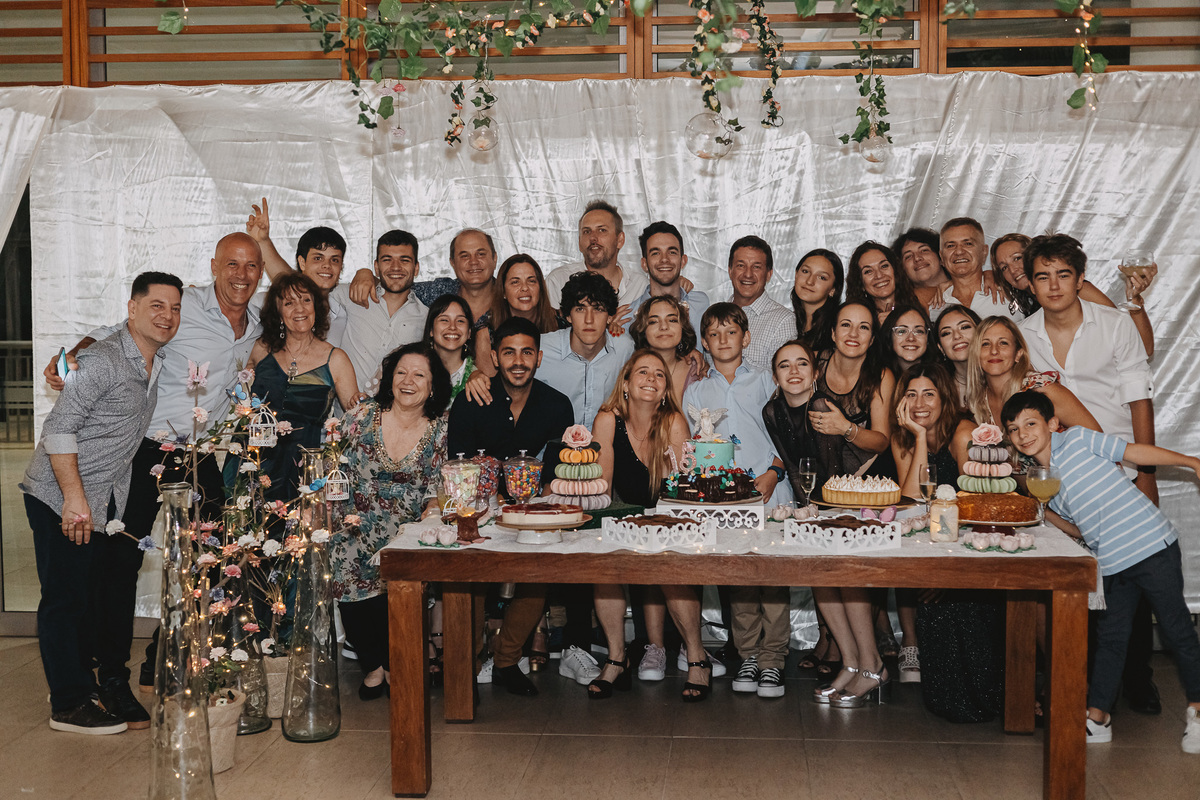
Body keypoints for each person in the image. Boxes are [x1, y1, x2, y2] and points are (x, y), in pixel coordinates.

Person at [45, 232, 265, 693]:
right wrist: (69, 361)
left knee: (211, 557)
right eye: (232, 264)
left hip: (198, 453)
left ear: (261, 272)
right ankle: (109, 668)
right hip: (145, 449)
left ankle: (166, 655)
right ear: (214, 266)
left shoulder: (259, 321)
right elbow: (112, 333)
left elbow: (309, 296)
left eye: (251, 265)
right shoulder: (183, 307)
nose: (241, 275)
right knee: (121, 558)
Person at [21, 271, 182, 734]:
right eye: (156, 306)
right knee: (65, 600)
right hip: (60, 495)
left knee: (86, 596)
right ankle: (69, 705)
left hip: (100, 497)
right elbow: (58, 429)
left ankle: (79, 686)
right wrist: (75, 499)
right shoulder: (102, 361)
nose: (166, 316)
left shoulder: (152, 359)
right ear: (132, 309)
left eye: (174, 308)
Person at [1001, 391, 1200, 751]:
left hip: (1152, 547)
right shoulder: (1040, 480)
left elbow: (1133, 453)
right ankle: (1098, 718)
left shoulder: (1078, 439)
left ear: (1052, 423)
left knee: (1177, 631)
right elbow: (1079, 528)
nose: (1023, 434)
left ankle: (1198, 711)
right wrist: (1041, 511)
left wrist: (1190, 461)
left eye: (1030, 423)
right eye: (1014, 429)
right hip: (1111, 561)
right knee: (1111, 640)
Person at [1017, 233, 1161, 712]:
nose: (1054, 285)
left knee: (1131, 570)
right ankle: (1090, 682)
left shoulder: (1114, 325)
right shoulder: (1024, 334)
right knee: (1081, 574)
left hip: (1119, 464)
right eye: (1043, 276)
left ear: (1080, 279)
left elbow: (1139, 396)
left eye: (1064, 274)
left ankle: (1138, 679)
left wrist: (1146, 470)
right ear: (1030, 283)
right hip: (1064, 473)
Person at [446, 317, 581, 696]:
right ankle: (468, 664)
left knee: (537, 575)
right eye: (508, 353)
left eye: (526, 353)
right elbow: (459, 464)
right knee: (470, 579)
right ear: (494, 357)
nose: (518, 362)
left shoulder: (557, 405)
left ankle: (507, 660)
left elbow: (557, 471)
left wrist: (528, 505)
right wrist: (490, 505)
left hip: (532, 509)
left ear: (539, 357)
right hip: (478, 508)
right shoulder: (471, 400)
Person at [589, 350, 715, 701]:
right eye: (642, 372)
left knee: (671, 567)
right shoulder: (607, 419)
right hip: (625, 514)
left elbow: (680, 491)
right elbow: (603, 488)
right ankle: (617, 658)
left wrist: (659, 529)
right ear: (626, 383)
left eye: (659, 374)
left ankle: (697, 657)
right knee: (603, 567)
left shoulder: (673, 421)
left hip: (669, 516)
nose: (651, 379)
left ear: (665, 389)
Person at [331, 342, 450, 700]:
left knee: (394, 603)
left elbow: (438, 485)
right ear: (389, 378)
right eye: (401, 372)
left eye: (419, 375)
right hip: (351, 523)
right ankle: (373, 665)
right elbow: (332, 465)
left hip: (405, 529)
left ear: (433, 385)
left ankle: (393, 663)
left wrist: (432, 512)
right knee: (353, 601)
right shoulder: (360, 416)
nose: (407, 381)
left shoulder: (441, 429)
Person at [683, 303, 791, 697]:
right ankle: (748, 655)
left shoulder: (765, 381)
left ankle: (773, 659)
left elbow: (788, 436)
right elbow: (695, 448)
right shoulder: (696, 390)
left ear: (746, 338)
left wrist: (774, 472)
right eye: (714, 334)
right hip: (725, 500)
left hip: (770, 489)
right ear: (704, 341)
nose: (723, 340)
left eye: (731, 332)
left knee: (773, 578)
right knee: (741, 578)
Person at [892, 364, 1006, 722]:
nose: (919, 403)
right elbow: (911, 503)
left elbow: (979, 505)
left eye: (929, 394)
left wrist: (950, 573)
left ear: (945, 398)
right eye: (911, 395)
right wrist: (919, 437)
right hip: (934, 548)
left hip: (972, 549)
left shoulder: (963, 433)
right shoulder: (904, 438)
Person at [246, 273, 359, 500]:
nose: (300, 309)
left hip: (305, 468)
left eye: (306, 300)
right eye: (289, 303)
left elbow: (355, 418)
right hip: (254, 462)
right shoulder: (261, 350)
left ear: (316, 307)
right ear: (278, 312)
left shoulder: (336, 359)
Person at [991, 232, 1156, 357]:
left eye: (1017, 258)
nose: (1013, 270)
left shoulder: (1079, 290)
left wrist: (1134, 299)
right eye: (1004, 267)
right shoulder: (1030, 308)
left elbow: (1141, 348)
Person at [809, 300, 897, 481]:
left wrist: (845, 427)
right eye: (846, 325)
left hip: (865, 474)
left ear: (872, 339)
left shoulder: (881, 376)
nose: (853, 333)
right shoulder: (812, 363)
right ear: (833, 333)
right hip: (816, 469)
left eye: (863, 327)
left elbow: (881, 443)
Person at [244, 200, 352, 347]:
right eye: (318, 258)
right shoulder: (263, 304)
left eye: (334, 260)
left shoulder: (343, 314)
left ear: (341, 267)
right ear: (302, 263)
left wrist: (365, 274)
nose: (327, 265)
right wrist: (263, 241)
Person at [964, 315, 1098, 431]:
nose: (994, 351)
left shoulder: (1042, 390)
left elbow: (1097, 437)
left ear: (1018, 354)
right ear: (976, 354)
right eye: (985, 344)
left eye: (1003, 343)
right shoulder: (977, 399)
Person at [537, 270, 635, 428]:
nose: (589, 320)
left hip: (606, 442)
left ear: (610, 317)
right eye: (580, 309)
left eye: (598, 309)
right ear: (568, 316)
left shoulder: (625, 348)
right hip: (552, 442)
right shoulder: (541, 349)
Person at [545, 200, 649, 315]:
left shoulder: (640, 286)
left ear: (620, 240)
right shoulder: (558, 281)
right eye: (586, 231)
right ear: (579, 242)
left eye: (602, 230)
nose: (593, 238)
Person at [621, 220, 709, 335]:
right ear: (644, 264)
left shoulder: (701, 304)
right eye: (655, 253)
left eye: (672, 252)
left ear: (683, 261)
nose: (664, 259)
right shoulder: (627, 318)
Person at [725, 235, 797, 371]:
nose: (748, 274)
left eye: (756, 267)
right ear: (730, 271)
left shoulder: (783, 321)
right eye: (741, 266)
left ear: (769, 274)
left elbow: (783, 377)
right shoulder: (714, 316)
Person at [937, 218, 1022, 321]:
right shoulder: (936, 306)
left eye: (968, 244)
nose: (959, 251)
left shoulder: (1011, 290)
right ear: (941, 256)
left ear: (984, 252)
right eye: (950, 246)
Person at [628, 295, 702, 407]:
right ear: (643, 330)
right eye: (653, 321)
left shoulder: (698, 370)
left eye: (672, 320)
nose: (663, 327)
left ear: (682, 327)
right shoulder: (631, 370)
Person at [845, 241, 922, 325]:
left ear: (895, 271)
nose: (879, 275)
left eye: (884, 266)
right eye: (868, 271)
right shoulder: (856, 319)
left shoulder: (922, 300)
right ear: (860, 283)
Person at [423, 294, 480, 402]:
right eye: (444, 320)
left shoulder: (477, 379)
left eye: (460, 321)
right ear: (431, 330)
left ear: (469, 333)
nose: (453, 327)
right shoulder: (415, 370)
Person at [790, 248, 843, 354]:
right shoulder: (786, 322)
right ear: (796, 275)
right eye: (805, 271)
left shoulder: (839, 326)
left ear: (833, 289)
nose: (810, 281)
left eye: (822, 277)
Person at [490, 254, 560, 334]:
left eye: (531, 281)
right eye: (515, 282)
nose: (525, 288)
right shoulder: (487, 330)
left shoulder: (560, 324)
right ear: (503, 291)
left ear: (540, 288)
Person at [892, 227, 952, 309]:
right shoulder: (901, 303)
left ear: (941, 257)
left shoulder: (967, 286)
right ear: (902, 269)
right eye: (908, 256)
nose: (917, 258)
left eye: (924, 250)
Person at [934, 303, 981, 405]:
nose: (956, 336)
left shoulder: (1001, 376)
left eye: (964, 327)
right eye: (947, 333)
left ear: (980, 333)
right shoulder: (938, 390)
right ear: (941, 348)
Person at [880, 304, 937, 380]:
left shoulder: (940, 378)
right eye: (902, 331)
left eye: (919, 331)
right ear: (889, 337)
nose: (911, 338)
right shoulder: (879, 377)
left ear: (928, 338)